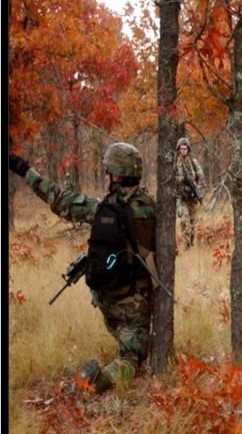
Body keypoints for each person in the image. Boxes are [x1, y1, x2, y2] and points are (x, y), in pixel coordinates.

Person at [9, 143, 158, 393]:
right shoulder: (154, 208)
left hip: (106, 299)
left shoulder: (100, 208)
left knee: (127, 335)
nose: (107, 175)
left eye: (108, 171)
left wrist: (24, 169)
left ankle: (123, 341)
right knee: (131, 360)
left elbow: (58, 199)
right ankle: (94, 383)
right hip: (135, 301)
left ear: (116, 174)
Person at [175, 136, 205, 247]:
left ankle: (191, 244)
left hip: (192, 198)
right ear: (178, 149)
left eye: (185, 148)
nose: (183, 151)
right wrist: (180, 179)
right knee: (184, 221)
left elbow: (201, 178)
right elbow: (170, 179)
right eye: (181, 148)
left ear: (188, 149)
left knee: (193, 224)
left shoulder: (193, 162)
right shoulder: (175, 164)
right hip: (181, 197)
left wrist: (198, 190)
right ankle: (186, 244)